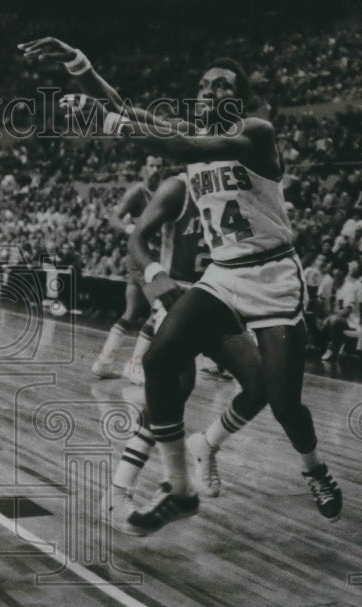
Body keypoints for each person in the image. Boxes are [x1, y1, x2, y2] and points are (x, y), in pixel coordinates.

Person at [20, 37, 342, 527]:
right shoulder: (191, 132)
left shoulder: (254, 132)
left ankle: (313, 467)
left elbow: (179, 143)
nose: (210, 91)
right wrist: (78, 64)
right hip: (223, 273)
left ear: (239, 98)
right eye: (204, 84)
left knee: (282, 402)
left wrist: (103, 120)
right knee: (158, 359)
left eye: (223, 86)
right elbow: (128, 108)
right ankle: (182, 488)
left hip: (273, 275)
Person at [108, 174, 266, 533]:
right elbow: (137, 240)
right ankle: (121, 489)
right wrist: (156, 277)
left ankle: (207, 445)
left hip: (222, 299)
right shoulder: (179, 187)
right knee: (173, 393)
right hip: (178, 294)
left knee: (261, 384)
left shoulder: (245, 190)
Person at [91, 154, 163, 378]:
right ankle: (136, 364)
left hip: (152, 257)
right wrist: (131, 230)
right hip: (141, 257)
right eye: (151, 165)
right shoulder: (137, 192)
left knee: (131, 313)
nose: (155, 169)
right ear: (144, 168)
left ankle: (104, 362)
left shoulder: (165, 191)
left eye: (159, 166)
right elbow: (114, 218)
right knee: (160, 310)